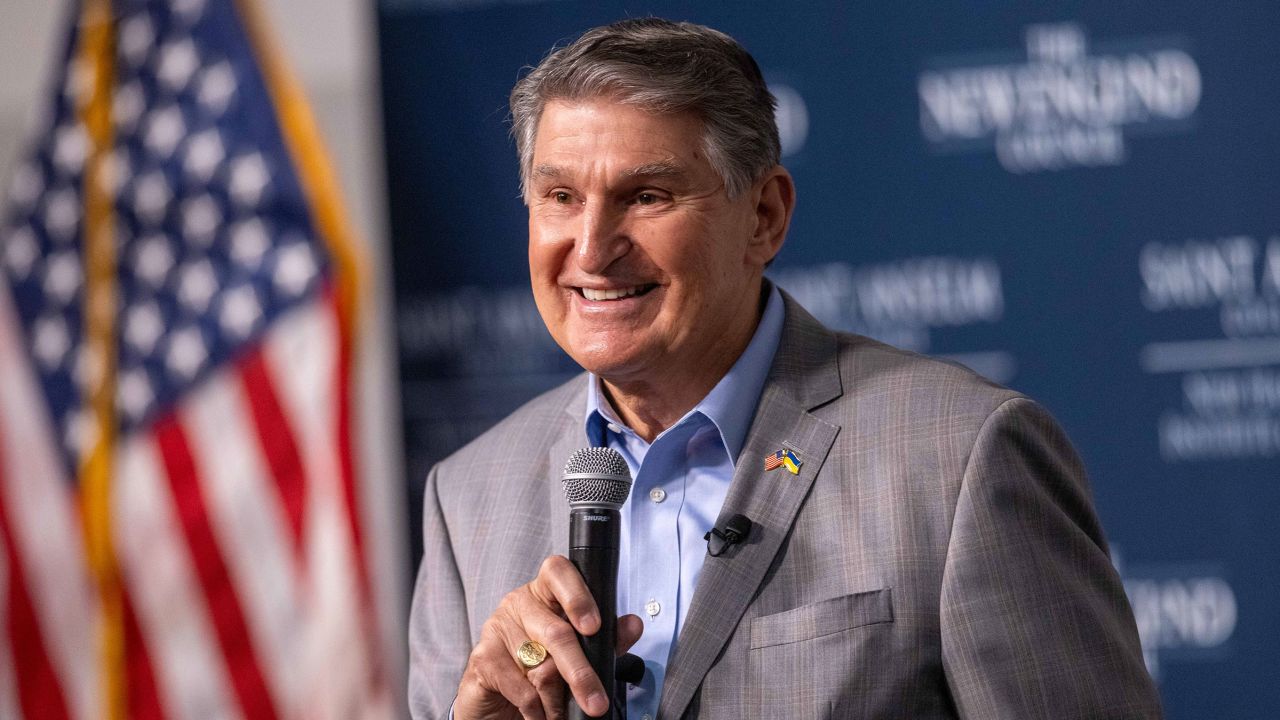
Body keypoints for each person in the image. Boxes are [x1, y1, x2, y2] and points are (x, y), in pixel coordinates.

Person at [408, 17, 1162, 720]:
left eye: (646, 195)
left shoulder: (960, 456)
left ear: (764, 216)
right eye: (561, 197)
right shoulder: (469, 496)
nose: (593, 246)